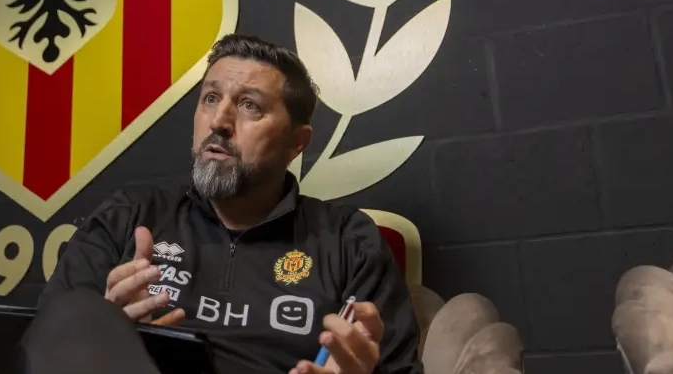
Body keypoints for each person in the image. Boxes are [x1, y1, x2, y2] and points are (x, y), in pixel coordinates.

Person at [28, 34, 423, 374]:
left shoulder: (347, 241)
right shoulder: (128, 217)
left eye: (250, 105)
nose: (219, 121)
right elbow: (34, 348)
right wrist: (101, 332)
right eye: (210, 98)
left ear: (297, 143)